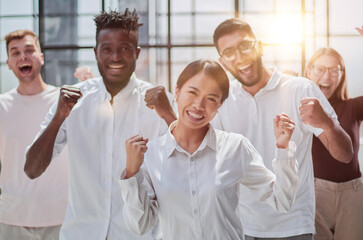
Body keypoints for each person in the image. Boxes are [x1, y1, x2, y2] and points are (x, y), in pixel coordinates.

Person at [25, 9, 173, 240]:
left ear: (137, 53)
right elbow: (32, 169)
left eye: (124, 48)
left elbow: (189, 166)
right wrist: (58, 118)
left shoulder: (160, 103)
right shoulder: (71, 101)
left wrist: (170, 117)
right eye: (107, 49)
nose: (115, 57)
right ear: (95, 53)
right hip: (80, 233)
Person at [119, 59, 299, 240]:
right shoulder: (151, 154)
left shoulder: (235, 148)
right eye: (192, 92)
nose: (198, 105)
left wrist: (284, 148)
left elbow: (282, 201)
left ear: (220, 104)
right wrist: (132, 173)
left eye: (211, 98)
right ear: (177, 91)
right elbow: (140, 226)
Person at [209, 18, 353, 240]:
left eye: (245, 46)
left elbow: (344, 155)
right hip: (242, 226)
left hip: (294, 226)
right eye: (229, 52)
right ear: (223, 61)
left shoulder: (301, 89)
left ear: (260, 46)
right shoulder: (222, 102)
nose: (240, 57)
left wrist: (326, 122)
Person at [0, 30, 68, 239]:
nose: (23, 57)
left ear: (41, 57)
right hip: (12, 219)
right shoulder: (1, 106)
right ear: (9, 63)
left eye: (29, 50)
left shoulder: (64, 101)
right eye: (15, 53)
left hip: (61, 217)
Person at [304, 47, 363, 240]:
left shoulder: (353, 107)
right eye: (320, 69)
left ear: (341, 75)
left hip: (352, 194)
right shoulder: (299, 107)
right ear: (308, 71)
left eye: (334, 70)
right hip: (313, 191)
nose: (327, 76)